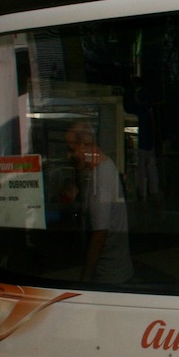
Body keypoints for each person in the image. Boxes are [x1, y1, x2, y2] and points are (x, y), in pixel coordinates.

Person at [65, 121, 134, 284]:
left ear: (84, 146)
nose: (69, 156)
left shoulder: (100, 179)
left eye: (71, 149)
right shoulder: (103, 167)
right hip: (116, 271)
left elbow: (99, 235)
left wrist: (85, 279)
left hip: (109, 277)